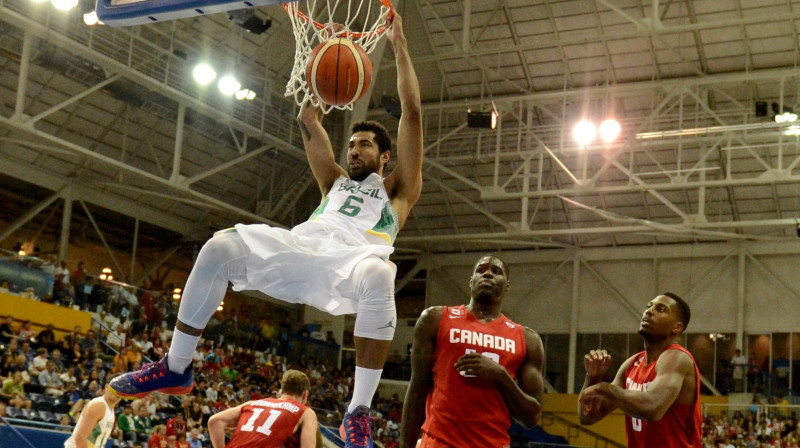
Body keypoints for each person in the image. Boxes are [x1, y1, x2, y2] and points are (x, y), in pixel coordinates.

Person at [109, 11, 421, 448]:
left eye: (364, 144)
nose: (353, 150)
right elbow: (309, 121)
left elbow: (412, 113)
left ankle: (359, 411)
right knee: (219, 248)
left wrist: (400, 45)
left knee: (380, 274)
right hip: (302, 248)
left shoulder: (399, 192)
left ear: (384, 156)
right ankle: (177, 366)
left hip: (352, 266)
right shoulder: (333, 182)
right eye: (350, 144)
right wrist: (319, 61)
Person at [398, 255, 545, 448]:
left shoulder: (527, 339)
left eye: (496, 271)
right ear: (471, 281)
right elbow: (416, 391)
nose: (488, 274)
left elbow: (531, 417)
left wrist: (501, 376)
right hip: (439, 442)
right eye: (481, 270)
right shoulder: (435, 319)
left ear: (507, 285)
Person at [577, 292, 701, 448]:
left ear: (677, 327)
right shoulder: (632, 364)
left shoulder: (677, 358)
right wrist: (593, 377)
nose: (649, 311)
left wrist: (603, 388)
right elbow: (587, 417)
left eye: (661, 309)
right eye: (649, 306)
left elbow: (652, 408)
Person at [207, 370, 321, 448]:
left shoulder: (253, 403)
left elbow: (214, 421)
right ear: (305, 394)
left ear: (281, 391)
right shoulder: (305, 412)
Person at [63, 382, 123, 448]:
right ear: (106, 387)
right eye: (116, 387)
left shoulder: (111, 411)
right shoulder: (99, 405)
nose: (118, 391)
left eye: (122, 389)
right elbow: (80, 437)